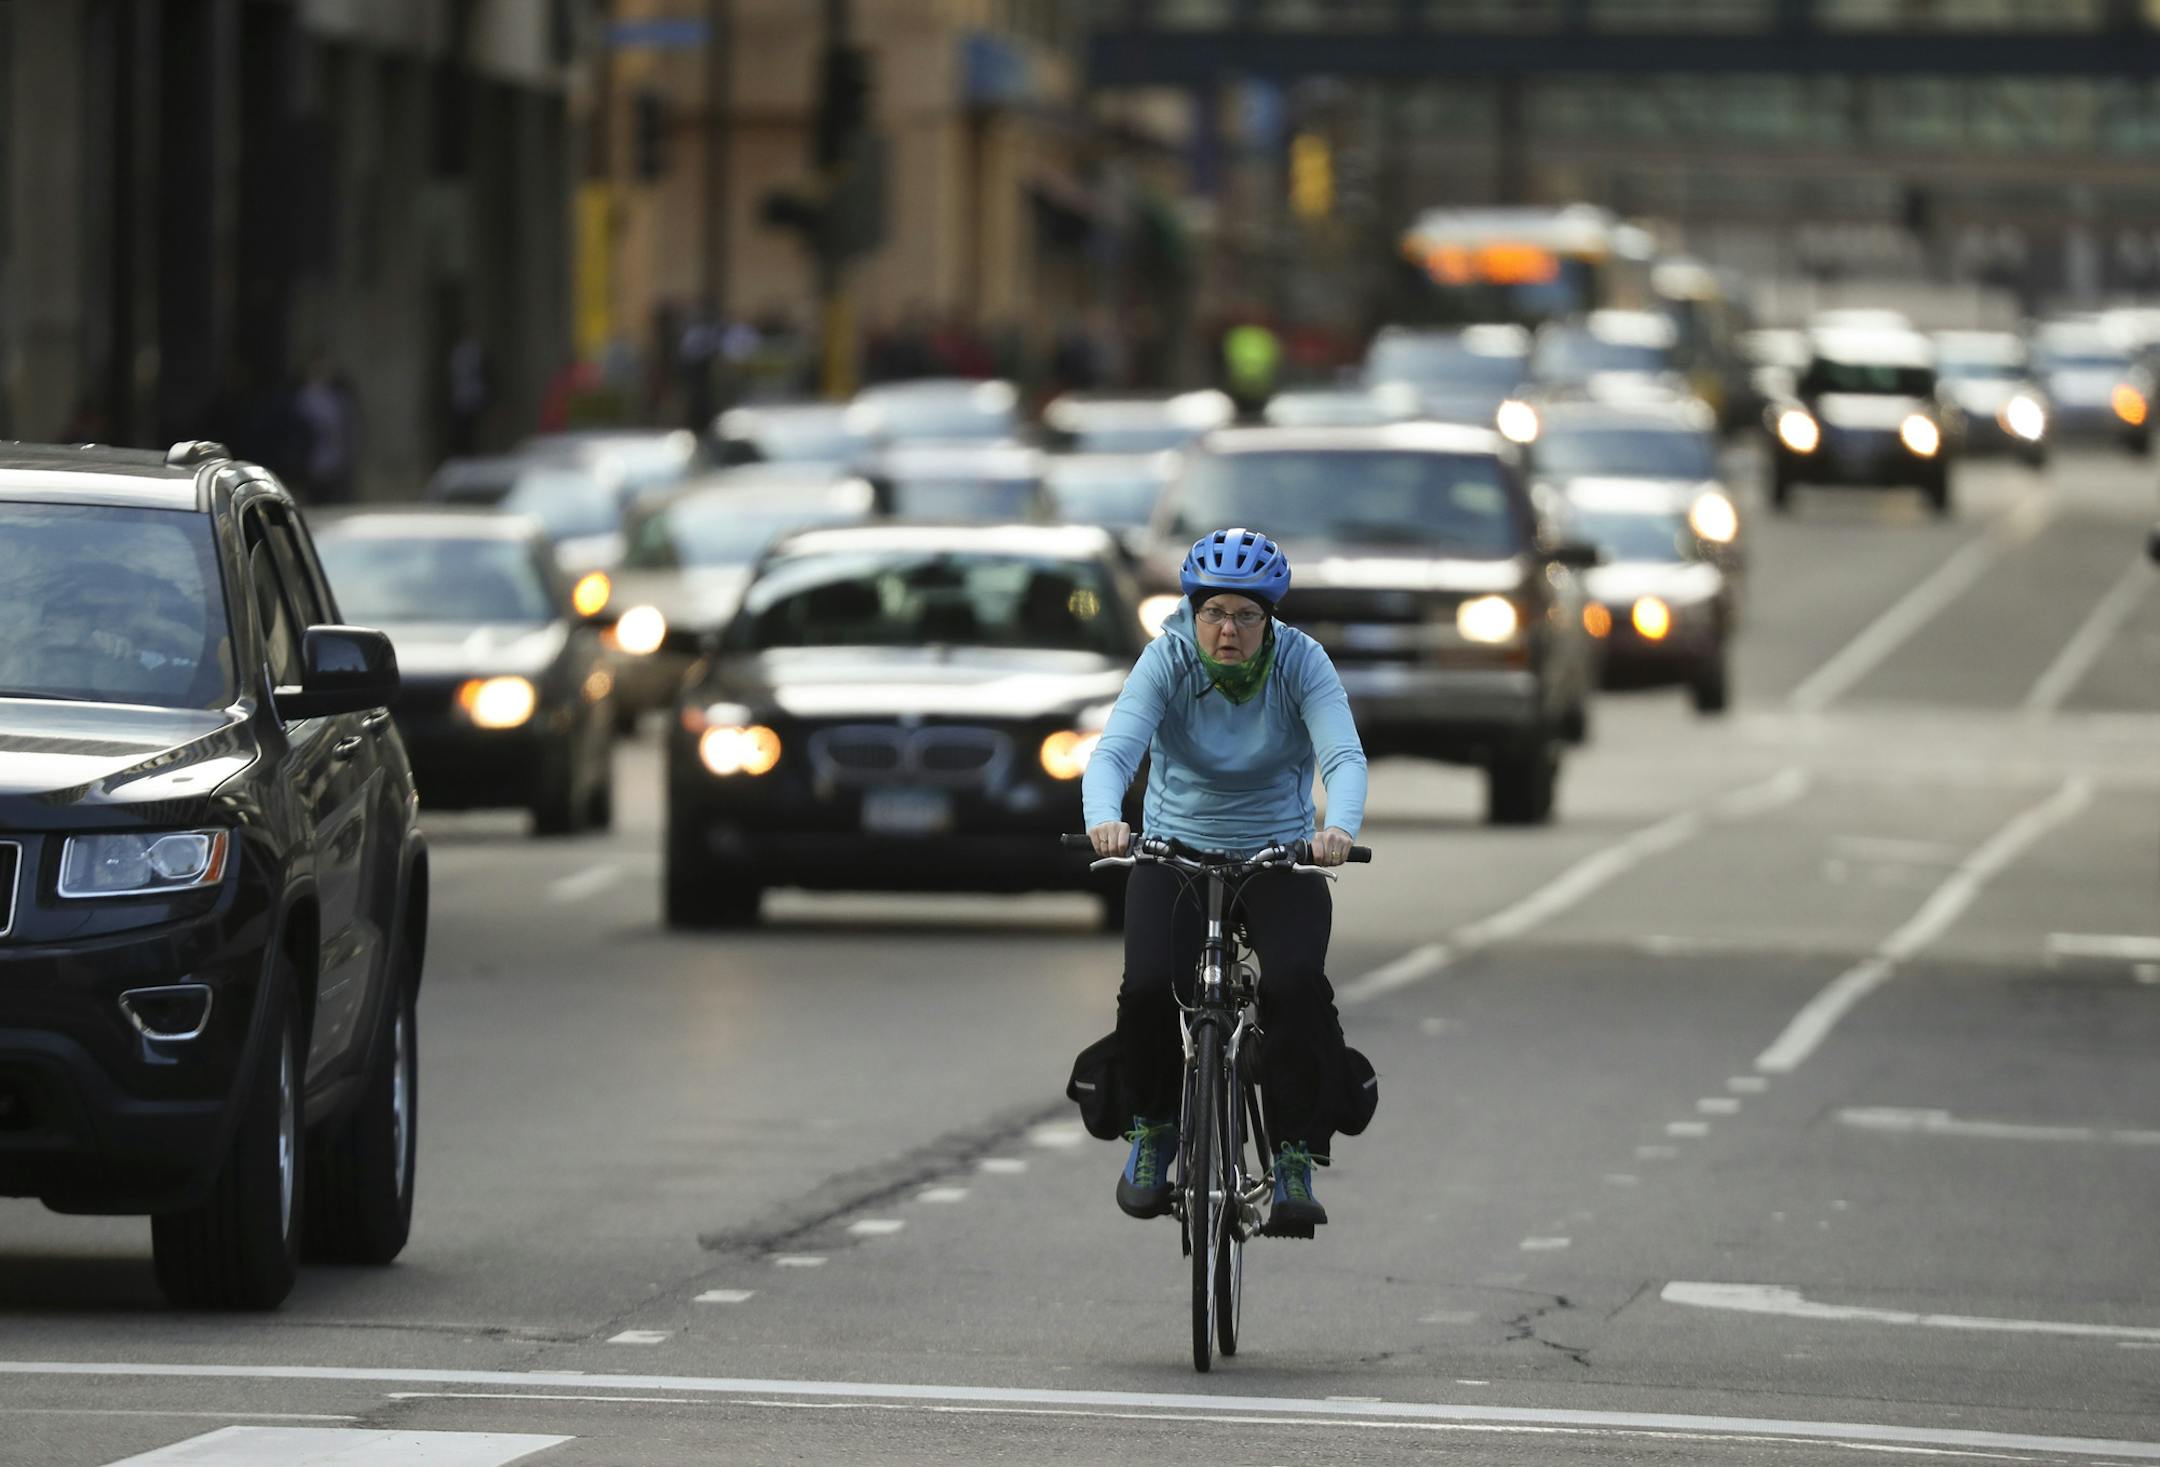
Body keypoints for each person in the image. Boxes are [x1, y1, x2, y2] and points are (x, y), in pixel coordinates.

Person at [1080, 527, 1367, 1233]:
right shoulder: (1167, 658)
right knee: (1148, 986)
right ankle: (1152, 1132)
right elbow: (1115, 750)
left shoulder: (1302, 662)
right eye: (1213, 612)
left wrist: (1339, 829)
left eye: (1244, 615)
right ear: (1191, 611)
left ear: (1269, 619)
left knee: (1296, 985)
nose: (1227, 629)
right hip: (1174, 851)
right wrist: (1104, 819)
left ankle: (1295, 1150)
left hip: (1278, 854)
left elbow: (1343, 755)